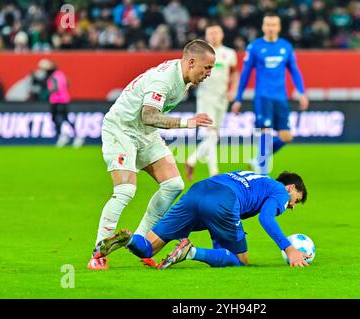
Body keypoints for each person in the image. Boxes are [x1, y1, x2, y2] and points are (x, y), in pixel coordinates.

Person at [88, 39, 216, 270]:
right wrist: (188, 123)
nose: (209, 73)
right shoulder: (164, 80)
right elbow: (149, 115)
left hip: (145, 134)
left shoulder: (184, 79)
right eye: (206, 68)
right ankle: (98, 253)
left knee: (174, 184)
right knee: (126, 190)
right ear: (191, 62)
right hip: (122, 129)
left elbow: (148, 122)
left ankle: (139, 243)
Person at [93, 170, 310, 269]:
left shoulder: (255, 176)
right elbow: (266, 219)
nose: (290, 207)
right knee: (241, 260)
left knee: (149, 248)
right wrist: (290, 250)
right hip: (223, 201)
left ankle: (129, 240)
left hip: (198, 191)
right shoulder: (280, 191)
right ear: (290, 187)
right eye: (295, 200)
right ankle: (191, 252)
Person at [231, 13, 309, 175]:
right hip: (263, 97)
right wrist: (238, 98)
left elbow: (295, 71)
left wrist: (301, 92)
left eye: (274, 25)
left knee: (287, 136)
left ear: (279, 27)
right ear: (263, 27)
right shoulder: (255, 47)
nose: (271, 28)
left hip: (281, 98)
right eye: (268, 24)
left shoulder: (286, 47)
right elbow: (245, 74)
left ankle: (258, 159)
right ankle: (263, 174)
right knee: (265, 134)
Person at [185, 24, 239, 180]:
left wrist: (233, 90)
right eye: (211, 33)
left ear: (222, 35)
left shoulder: (229, 53)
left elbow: (235, 73)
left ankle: (191, 160)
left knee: (214, 134)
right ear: (206, 36)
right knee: (212, 134)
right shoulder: (201, 53)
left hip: (222, 98)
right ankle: (214, 173)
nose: (214, 35)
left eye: (217, 32)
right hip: (206, 96)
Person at [38, 59, 84, 147]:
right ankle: (65, 136)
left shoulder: (55, 75)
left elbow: (56, 87)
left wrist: (47, 92)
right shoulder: (59, 74)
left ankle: (75, 136)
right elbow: (67, 83)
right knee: (57, 119)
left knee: (62, 118)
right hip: (58, 99)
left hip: (60, 99)